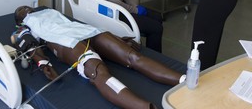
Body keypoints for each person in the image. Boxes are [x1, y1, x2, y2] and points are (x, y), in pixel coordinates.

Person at [11, 6, 186, 109]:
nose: (27, 9)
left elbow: (70, 22)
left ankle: (184, 79)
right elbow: (28, 44)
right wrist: (42, 63)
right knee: (98, 73)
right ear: (20, 20)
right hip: (65, 41)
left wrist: (117, 39)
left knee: (133, 57)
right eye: (22, 11)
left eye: (27, 7)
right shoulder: (23, 27)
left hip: (86, 31)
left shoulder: (49, 11)